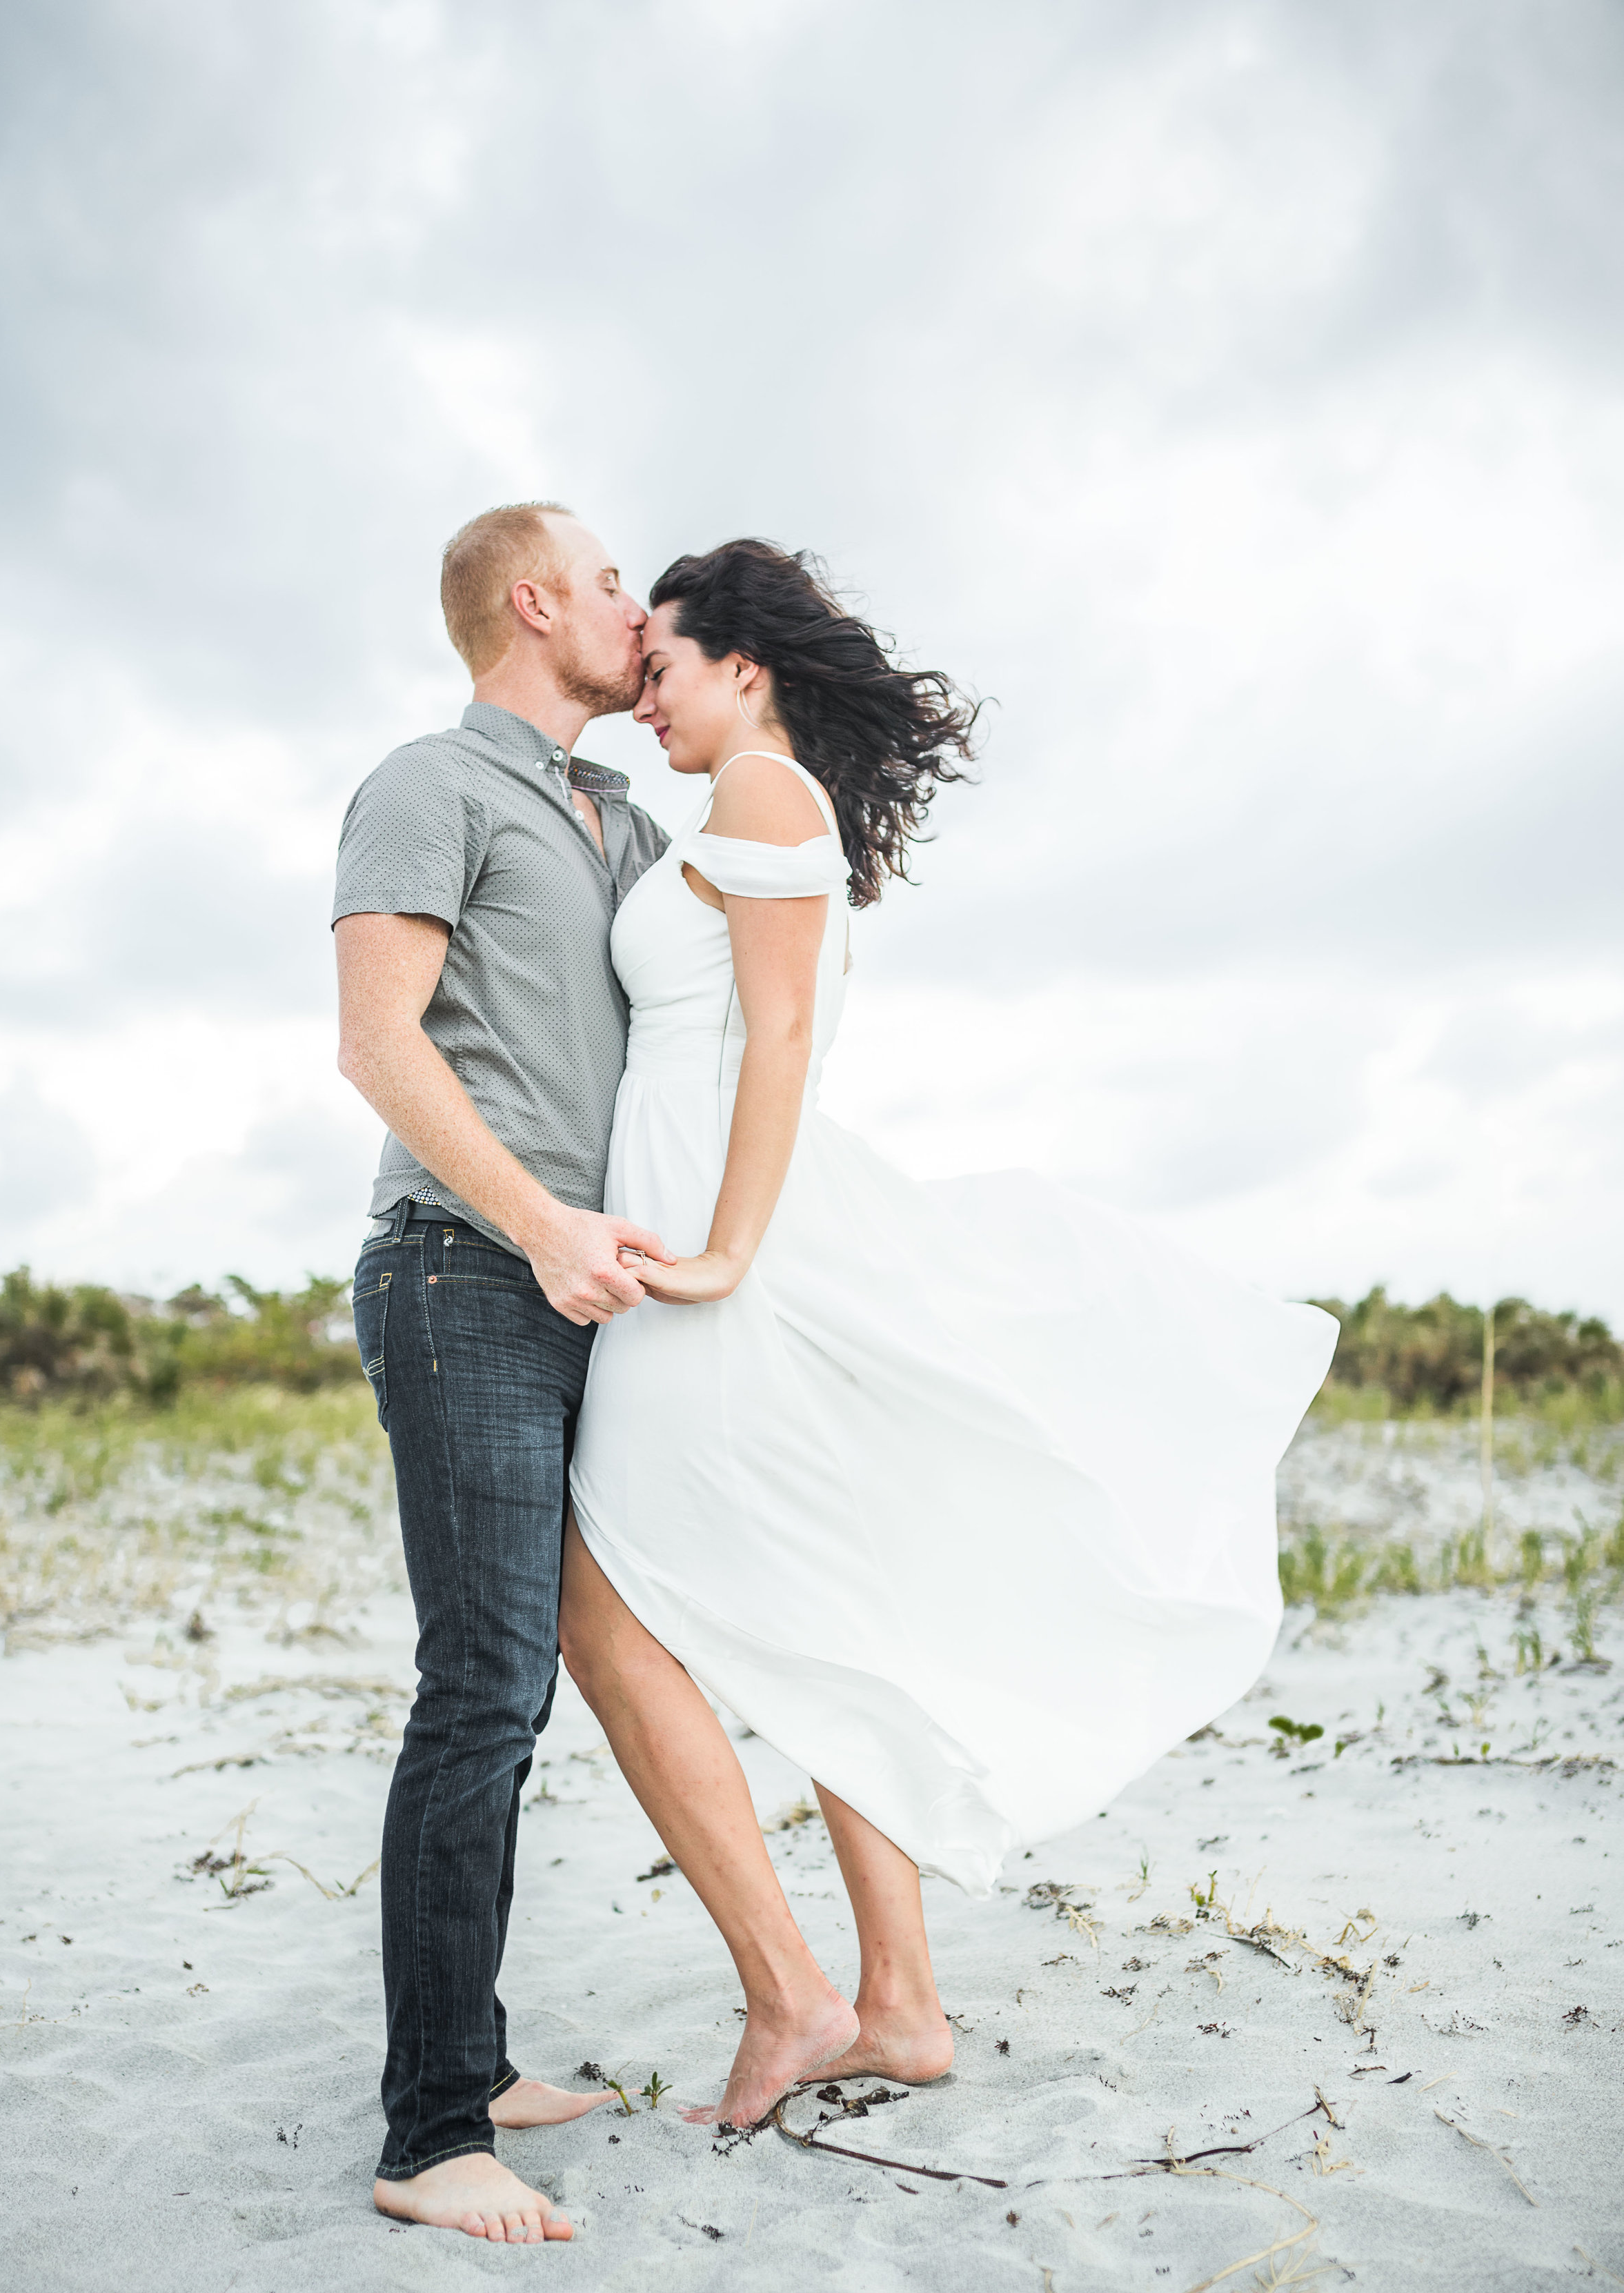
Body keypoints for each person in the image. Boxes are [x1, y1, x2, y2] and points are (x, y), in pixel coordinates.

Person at [560, 539, 1338, 2128]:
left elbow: (777, 1037)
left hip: (728, 1253)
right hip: (714, 1234)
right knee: (813, 1605)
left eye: (661, 670)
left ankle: (817, 1997)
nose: (642, 699)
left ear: (742, 666)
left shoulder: (763, 795)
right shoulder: (737, 806)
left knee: (606, 1603)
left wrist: (723, 1252)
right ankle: (898, 2005)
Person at [333, 503, 678, 2243]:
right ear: (535, 601)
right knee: (480, 1688)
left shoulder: (616, 816)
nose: (636, 601)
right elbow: (376, 1043)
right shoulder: (429, 783)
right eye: (613, 578)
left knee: (530, 1685)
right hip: (463, 1272)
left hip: (579, 1288)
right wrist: (544, 1220)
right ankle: (430, 2132)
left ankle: (470, 2050)